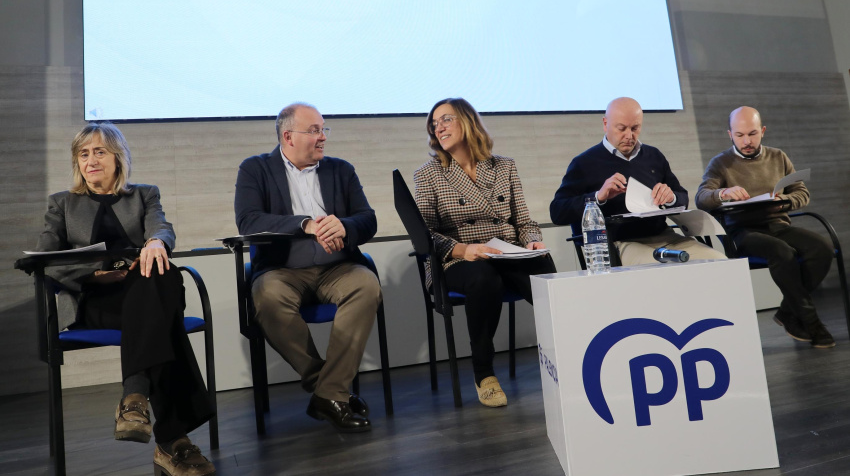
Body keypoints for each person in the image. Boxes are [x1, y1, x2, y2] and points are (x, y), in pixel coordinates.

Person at [35, 122, 215, 476]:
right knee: (163, 319)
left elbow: (161, 227)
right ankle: (173, 443)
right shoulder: (63, 203)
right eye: (83, 154)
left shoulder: (144, 194)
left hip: (145, 293)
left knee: (158, 271)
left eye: (99, 151)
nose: (91, 160)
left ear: (118, 157)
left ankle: (134, 401)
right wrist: (93, 275)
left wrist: (156, 243)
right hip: (96, 301)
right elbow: (43, 260)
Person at [234, 103, 380, 433]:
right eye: (314, 130)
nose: (322, 137)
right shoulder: (255, 169)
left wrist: (344, 226)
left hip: (337, 268)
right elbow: (249, 221)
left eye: (323, 129)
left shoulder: (341, 170)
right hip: (282, 270)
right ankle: (330, 391)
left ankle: (328, 393)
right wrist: (306, 225)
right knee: (267, 296)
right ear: (288, 136)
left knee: (366, 285)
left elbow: (367, 218)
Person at [414, 97, 556, 408]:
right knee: (483, 277)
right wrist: (463, 249)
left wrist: (532, 240)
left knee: (542, 263)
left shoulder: (504, 165)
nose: (439, 127)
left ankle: (568, 349)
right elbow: (423, 236)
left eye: (446, 119)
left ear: (467, 122)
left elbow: (524, 221)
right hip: (456, 260)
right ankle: (484, 371)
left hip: (506, 252)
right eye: (434, 124)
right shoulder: (428, 174)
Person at [696, 106, 835, 348]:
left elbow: (801, 192)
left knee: (822, 248)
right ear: (730, 134)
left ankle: (787, 313)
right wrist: (723, 192)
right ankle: (812, 323)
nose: (747, 141)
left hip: (778, 224)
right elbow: (702, 197)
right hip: (743, 231)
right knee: (782, 252)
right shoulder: (721, 163)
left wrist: (785, 200)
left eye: (752, 134)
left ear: (763, 131)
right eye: (740, 135)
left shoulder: (778, 156)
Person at [550, 97, 726, 265]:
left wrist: (671, 197)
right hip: (620, 242)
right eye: (622, 128)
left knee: (719, 262)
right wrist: (598, 197)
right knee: (656, 268)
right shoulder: (584, 163)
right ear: (605, 124)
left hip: (666, 237)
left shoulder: (653, 156)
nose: (629, 135)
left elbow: (682, 197)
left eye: (635, 128)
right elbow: (558, 211)